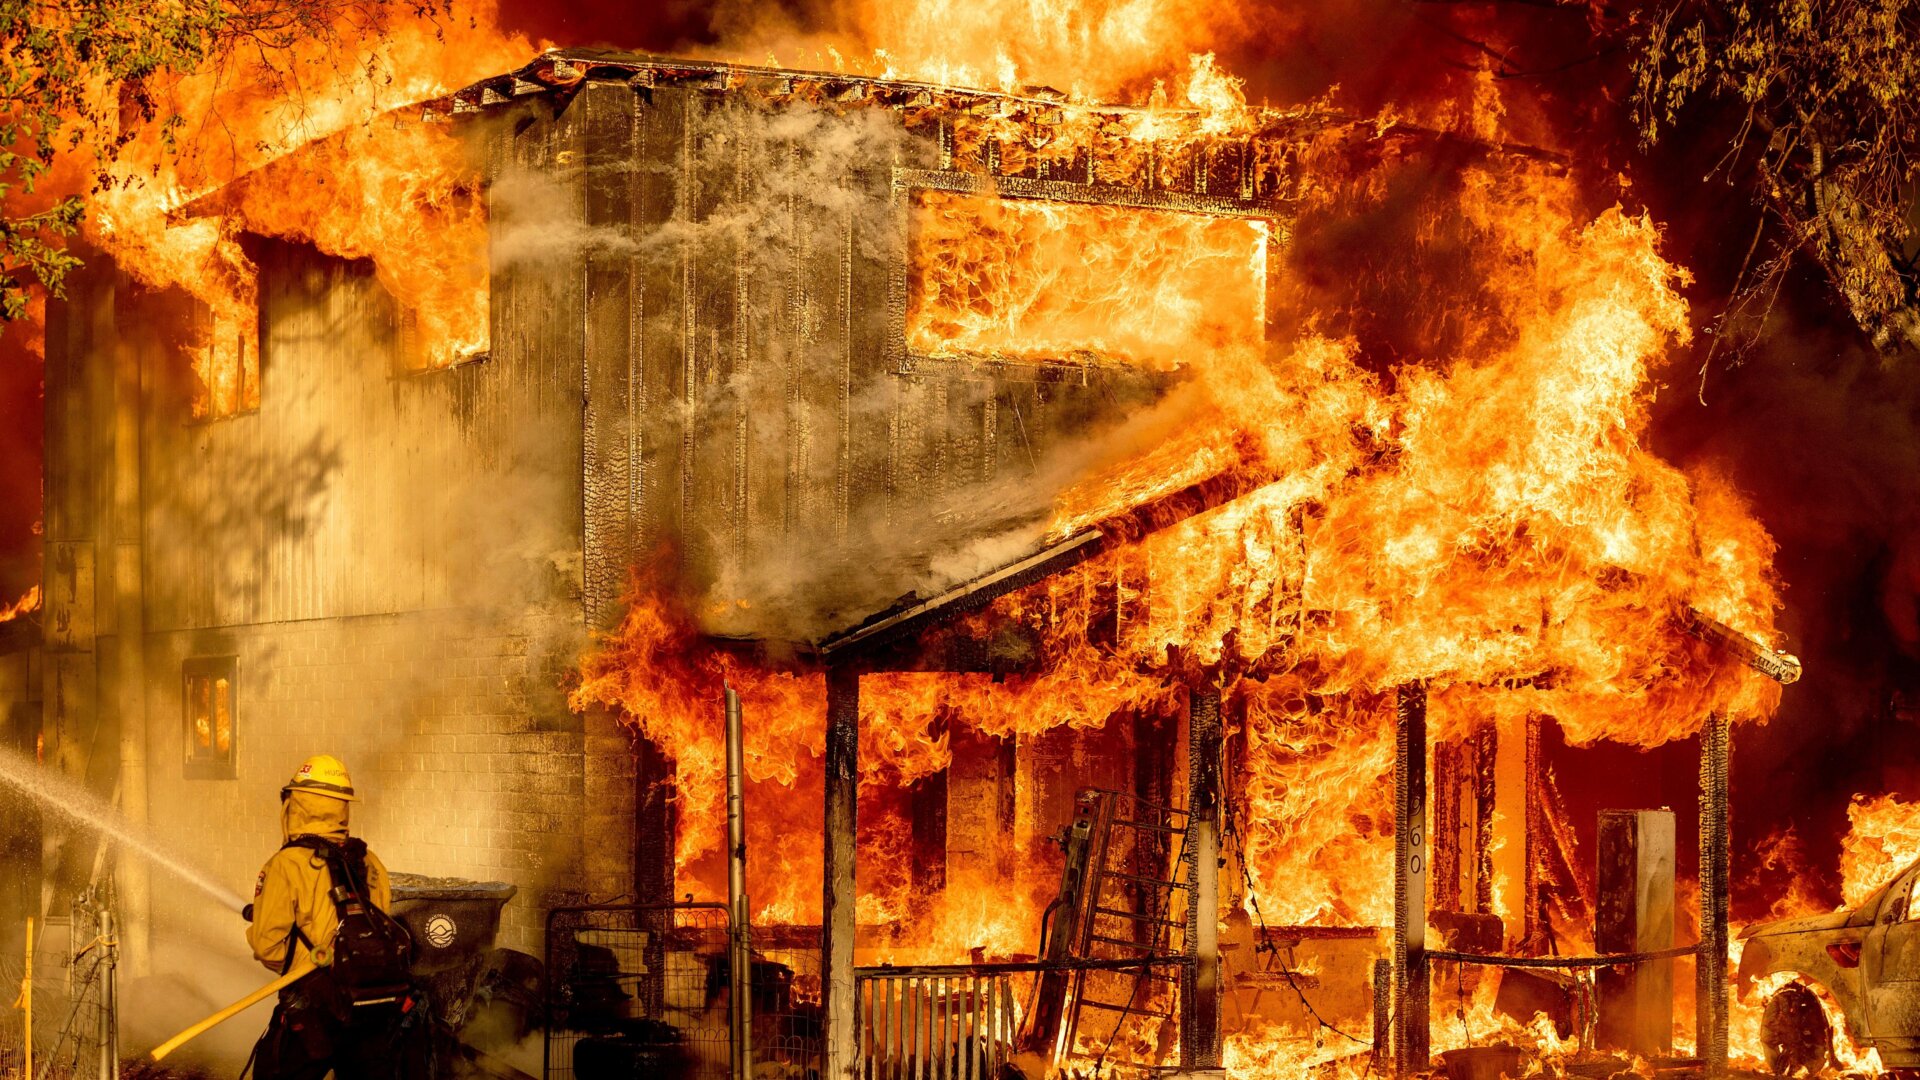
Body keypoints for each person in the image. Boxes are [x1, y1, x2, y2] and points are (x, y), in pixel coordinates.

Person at [246, 755, 421, 1080]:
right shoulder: (370, 861)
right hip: (374, 1008)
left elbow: (267, 947)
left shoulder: (286, 865)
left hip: (314, 1010)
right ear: (342, 807)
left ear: (297, 803)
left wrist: (314, 967)